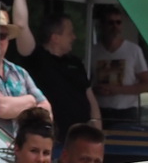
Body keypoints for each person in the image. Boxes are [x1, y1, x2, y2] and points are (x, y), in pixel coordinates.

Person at [12, 10, 99, 141]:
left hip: (80, 138)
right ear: (55, 38)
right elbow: (21, 26)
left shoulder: (75, 62)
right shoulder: (37, 59)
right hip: (52, 138)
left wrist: (96, 125)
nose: (74, 37)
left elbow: (90, 97)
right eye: (70, 33)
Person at [91, 5, 148, 125]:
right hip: (100, 111)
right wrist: (96, 90)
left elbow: (146, 85)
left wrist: (118, 90)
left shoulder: (133, 50)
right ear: (102, 25)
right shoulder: (93, 51)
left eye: (118, 22)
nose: (115, 26)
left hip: (127, 112)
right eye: (110, 23)